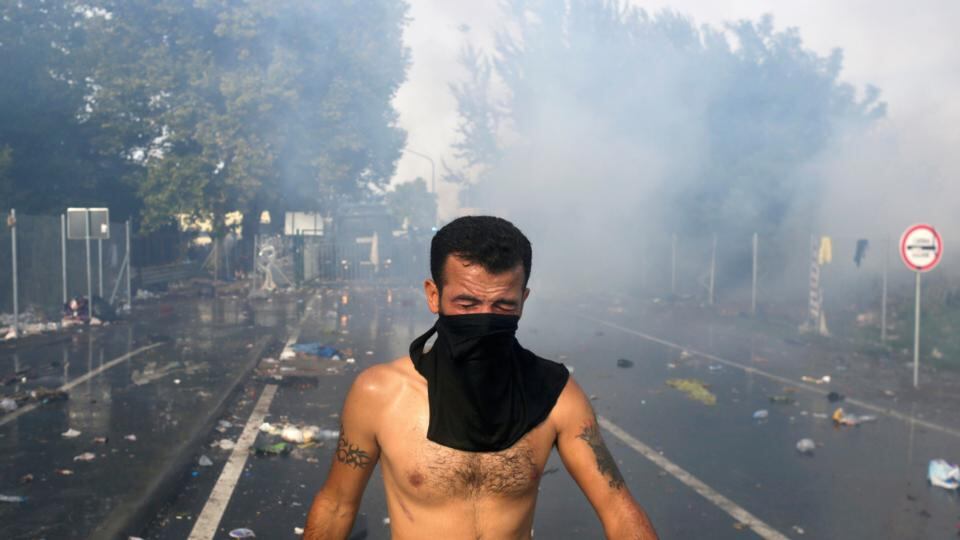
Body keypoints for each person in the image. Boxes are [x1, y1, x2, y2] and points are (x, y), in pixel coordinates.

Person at [304, 216, 658, 539]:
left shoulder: (554, 394)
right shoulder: (381, 393)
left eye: (503, 306)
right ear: (433, 295)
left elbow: (617, 508)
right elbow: (337, 505)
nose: (485, 320)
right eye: (467, 304)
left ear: (523, 299)